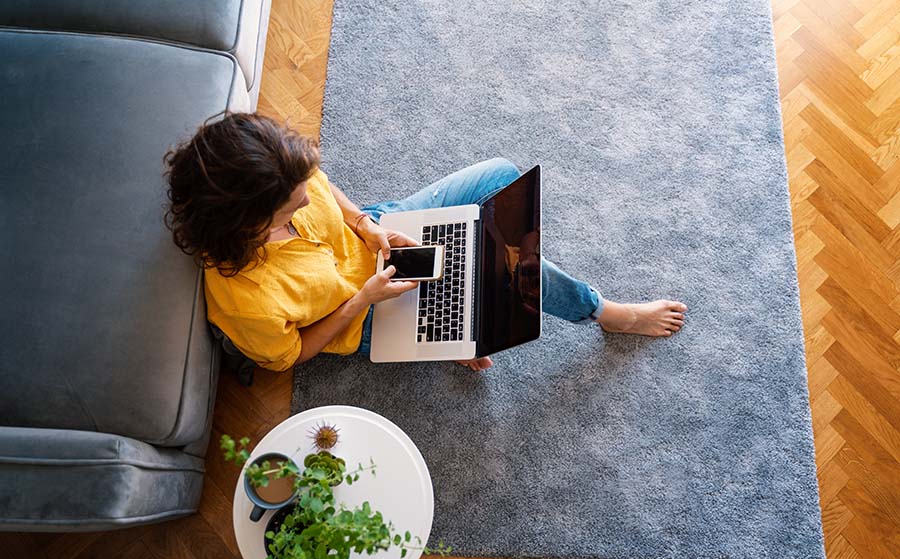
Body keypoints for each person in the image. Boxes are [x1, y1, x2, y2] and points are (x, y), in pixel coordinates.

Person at [163, 112, 687, 373]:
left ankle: (453, 320)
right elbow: (294, 354)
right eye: (291, 204)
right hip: (363, 314)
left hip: (379, 235)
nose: (305, 201)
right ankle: (600, 311)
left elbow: (323, 189)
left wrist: (365, 224)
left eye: (302, 189)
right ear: (247, 218)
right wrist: (362, 299)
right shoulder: (246, 302)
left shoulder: (278, 173)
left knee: (501, 178)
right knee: (494, 265)